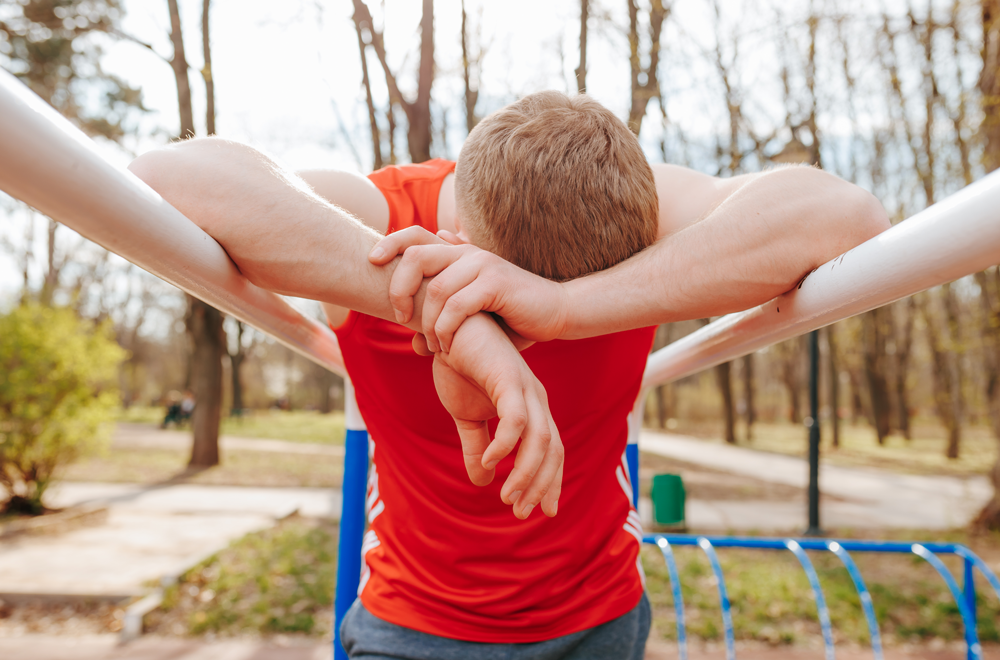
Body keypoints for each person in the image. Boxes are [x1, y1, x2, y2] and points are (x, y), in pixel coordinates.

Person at [128, 91, 888, 658]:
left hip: (599, 616)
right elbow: (168, 173)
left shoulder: (630, 209)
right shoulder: (388, 214)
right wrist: (452, 309)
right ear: (453, 234)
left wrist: (561, 308)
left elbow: (847, 215)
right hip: (412, 622)